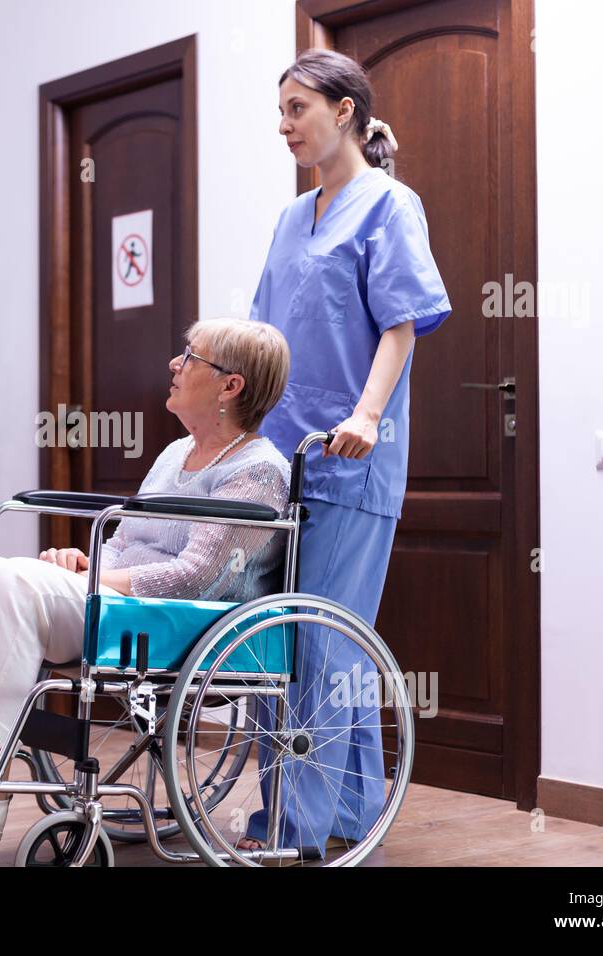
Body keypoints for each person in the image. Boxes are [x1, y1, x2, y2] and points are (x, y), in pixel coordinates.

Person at [0, 317, 293, 840]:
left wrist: (101, 574)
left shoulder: (257, 471)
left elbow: (200, 578)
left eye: (191, 357)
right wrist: (85, 559)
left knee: (14, 584)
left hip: (178, 623)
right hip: (128, 605)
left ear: (231, 385)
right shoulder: (174, 455)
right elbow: (124, 542)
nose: (174, 363)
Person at [241, 49, 452, 858]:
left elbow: (400, 324)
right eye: (282, 110)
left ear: (346, 113)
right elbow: (266, 333)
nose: (286, 125)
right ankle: (345, 819)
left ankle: (292, 831)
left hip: (352, 456)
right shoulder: (294, 219)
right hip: (279, 457)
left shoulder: (392, 206)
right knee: (284, 644)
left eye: (299, 108)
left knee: (323, 643)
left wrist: (367, 415)